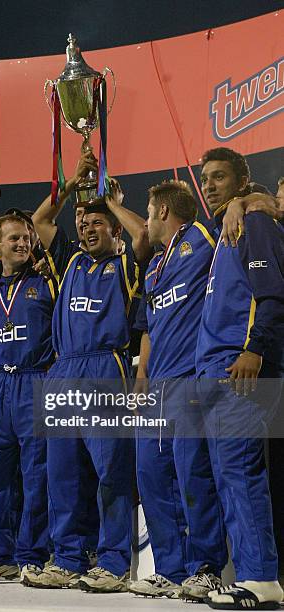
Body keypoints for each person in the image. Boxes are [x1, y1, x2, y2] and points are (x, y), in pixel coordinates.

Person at [26, 176, 147, 593]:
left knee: (111, 472)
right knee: (62, 474)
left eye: (97, 223)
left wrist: (112, 205)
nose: (87, 229)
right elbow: (40, 219)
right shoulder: (70, 261)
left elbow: (143, 234)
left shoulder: (128, 265)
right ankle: (68, 559)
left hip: (106, 368)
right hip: (64, 371)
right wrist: (72, 183)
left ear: (113, 229)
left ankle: (113, 563)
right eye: (83, 223)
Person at [129, 180, 228, 601]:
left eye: (149, 213)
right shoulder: (153, 266)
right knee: (151, 476)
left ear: (164, 212)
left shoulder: (203, 237)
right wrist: (141, 376)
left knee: (193, 475)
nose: (146, 223)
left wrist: (244, 202)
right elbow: (148, 326)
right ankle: (169, 569)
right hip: (157, 384)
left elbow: (233, 231)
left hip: (191, 377)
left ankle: (205, 567)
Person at [194, 147, 284, 609]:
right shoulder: (226, 227)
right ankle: (253, 574)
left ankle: (259, 577)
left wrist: (253, 350)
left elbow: (271, 295)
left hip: (240, 368)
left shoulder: (255, 223)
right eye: (205, 178)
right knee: (231, 475)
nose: (209, 185)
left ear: (242, 181)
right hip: (214, 370)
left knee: (242, 473)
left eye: (220, 178)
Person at [0, 212, 56, 583]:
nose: (21, 244)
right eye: (13, 238)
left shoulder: (48, 281)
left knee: (36, 474)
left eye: (26, 238)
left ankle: (32, 554)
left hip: (35, 382)